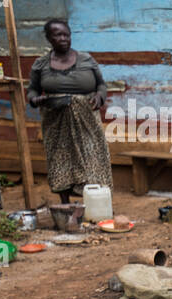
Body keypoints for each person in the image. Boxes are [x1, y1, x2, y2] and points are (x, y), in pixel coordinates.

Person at [26, 19, 112, 205]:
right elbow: (32, 90)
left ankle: (96, 203)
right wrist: (34, 100)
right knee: (60, 159)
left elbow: (101, 85)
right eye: (58, 35)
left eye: (67, 34)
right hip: (56, 119)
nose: (64, 39)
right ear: (49, 38)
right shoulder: (40, 64)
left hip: (86, 118)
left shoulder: (86, 59)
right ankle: (65, 205)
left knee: (93, 157)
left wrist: (99, 96)